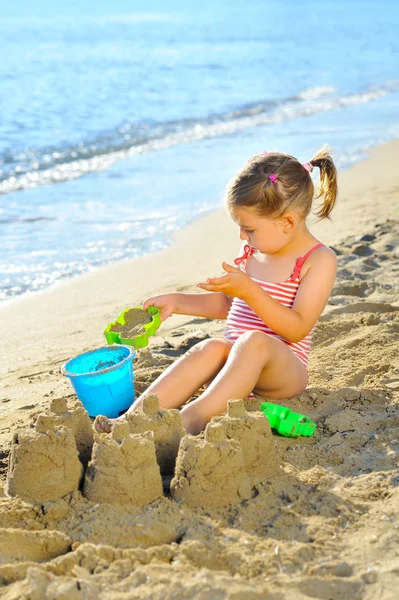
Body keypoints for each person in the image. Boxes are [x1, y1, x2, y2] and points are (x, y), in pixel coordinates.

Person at [95, 146, 338, 436]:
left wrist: (250, 291)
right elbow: (229, 305)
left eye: (249, 228)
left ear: (287, 222)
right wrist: (177, 302)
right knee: (211, 347)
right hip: (234, 369)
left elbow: (296, 329)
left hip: (282, 373)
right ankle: (134, 419)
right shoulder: (253, 250)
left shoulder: (318, 259)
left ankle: (194, 419)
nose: (242, 236)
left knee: (255, 341)